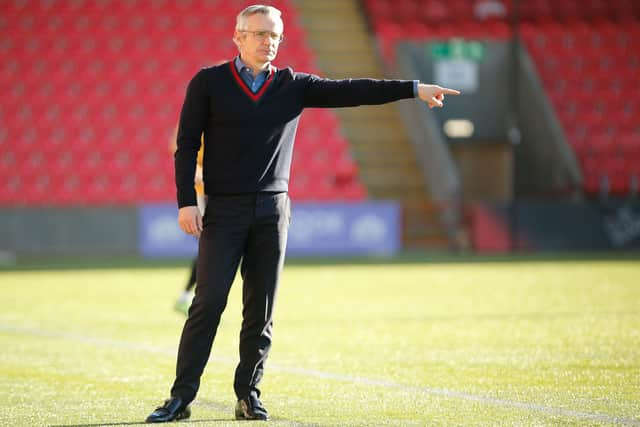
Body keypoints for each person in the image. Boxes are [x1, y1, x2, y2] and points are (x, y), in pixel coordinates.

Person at [145, 4, 459, 423]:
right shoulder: (208, 82)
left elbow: (353, 89)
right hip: (223, 210)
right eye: (257, 34)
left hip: (273, 211)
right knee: (208, 303)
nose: (266, 41)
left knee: (261, 311)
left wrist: (413, 88)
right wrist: (187, 201)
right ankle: (181, 398)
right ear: (237, 37)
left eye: (273, 35)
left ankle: (247, 395)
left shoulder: (293, 85)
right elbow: (186, 147)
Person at [173, 137, 205, 316]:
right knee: (208, 247)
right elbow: (182, 151)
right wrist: (198, 171)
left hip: (221, 194)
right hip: (204, 195)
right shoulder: (194, 118)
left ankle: (188, 297)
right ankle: (190, 299)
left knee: (209, 248)